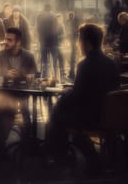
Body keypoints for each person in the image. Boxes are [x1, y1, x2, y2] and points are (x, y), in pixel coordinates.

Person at [46, 24, 119, 173]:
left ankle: (58, 157)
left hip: (89, 118)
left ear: (87, 43)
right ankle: (91, 161)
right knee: (61, 113)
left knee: (57, 116)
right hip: (109, 117)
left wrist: (65, 94)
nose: (78, 44)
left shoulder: (84, 65)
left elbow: (78, 95)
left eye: (79, 40)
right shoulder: (111, 64)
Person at [0, 27, 37, 158]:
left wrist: (28, 75)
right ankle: (2, 145)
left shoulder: (28, 56)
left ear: (18, 43)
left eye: (10, 40)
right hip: (5, 94)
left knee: (26, 113)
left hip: (22, 92)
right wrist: (5, 75)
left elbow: (35, 73)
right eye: (6, 39)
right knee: (5, 114)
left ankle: (27, 145)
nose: (6, 42)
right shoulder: (0, 55)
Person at [36, 4, 58, 79]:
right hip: (53, 42)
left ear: (44, 8)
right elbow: (56, 28)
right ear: (50, 9)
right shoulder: (54, 16)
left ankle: (45, 79)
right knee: (54, 62)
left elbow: (38, 28)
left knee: (44, 62)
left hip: (43, 42)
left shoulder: (39, 16)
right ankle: (55, 78)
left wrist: (39, 39)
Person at [66, 11, 79, 80]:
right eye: (70, 15)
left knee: (73, 52)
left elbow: (76, 30)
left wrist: (73, 32)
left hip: (73, 39)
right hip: (71, 38)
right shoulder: (68, 22)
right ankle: (71, 72)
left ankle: (72, 73)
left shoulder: (74, 22)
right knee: (72, 53)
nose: (70, 17)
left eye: (71, 16)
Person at [55, 14, 66, 83]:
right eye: (58, 19)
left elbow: (64, 35)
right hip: (55, 45)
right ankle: (56, 77)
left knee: (61, 60)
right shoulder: (54, 26)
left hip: (60, 45)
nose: (59, 20)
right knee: (55, 62)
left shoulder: (62, 26)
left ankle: (62, 77)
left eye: (60, 19)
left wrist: (58, 37)